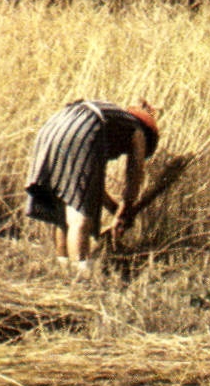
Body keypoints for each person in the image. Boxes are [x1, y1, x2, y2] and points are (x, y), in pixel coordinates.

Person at [24, 98, 159, 269]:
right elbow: (135, 173)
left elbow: (91, 184)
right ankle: (81, 274)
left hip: (53, 127)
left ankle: (62, 269)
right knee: (80, 217)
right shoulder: (138, 129)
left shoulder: (116, 121)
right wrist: (126, 205)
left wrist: (115, 209)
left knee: (62, 209)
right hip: (84, 127)